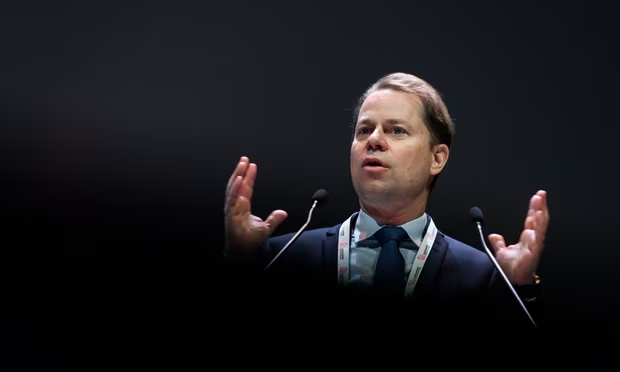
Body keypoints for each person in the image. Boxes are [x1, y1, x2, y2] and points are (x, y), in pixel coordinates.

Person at [222, 72, 549, 326]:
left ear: (437, 158)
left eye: (396, 131)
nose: (374, 140)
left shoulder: (480, 277)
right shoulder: (285, 257)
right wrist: (239, 260)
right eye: (364, 130)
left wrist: (518, 288)